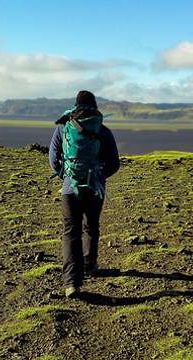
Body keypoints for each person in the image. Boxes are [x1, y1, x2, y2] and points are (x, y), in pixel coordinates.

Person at [49, 90, 120, 298]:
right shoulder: (103, 131)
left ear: (75, 105)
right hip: (95, 189)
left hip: (70, 189)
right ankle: (90, 263)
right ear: (95, 106)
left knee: (71, 232)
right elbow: (114, 164)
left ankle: (72, 282)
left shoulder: (63, 127)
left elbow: (53, 159)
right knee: (91, 225)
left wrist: (65, 175)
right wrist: (99, 177)